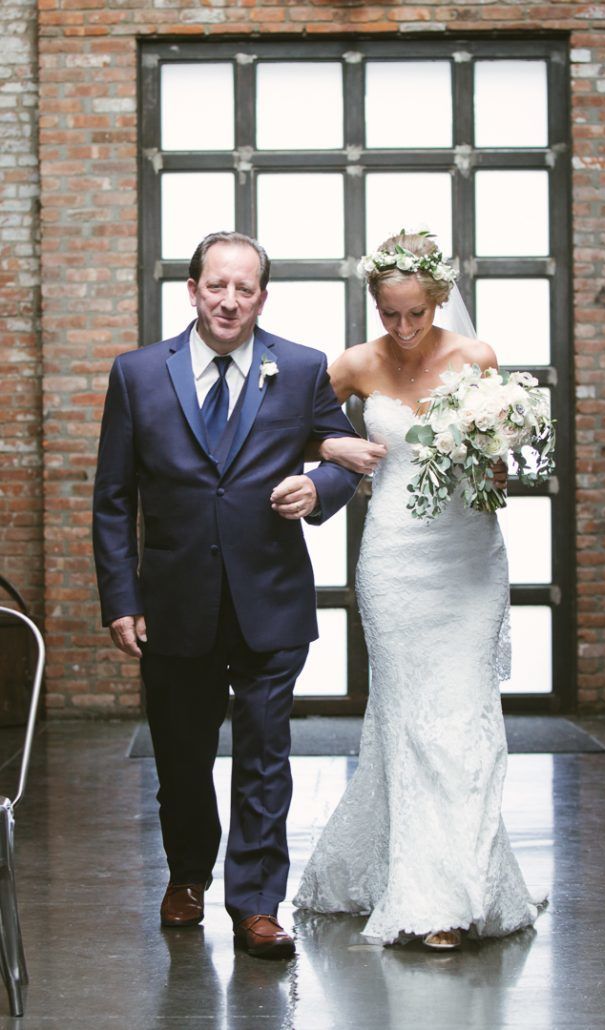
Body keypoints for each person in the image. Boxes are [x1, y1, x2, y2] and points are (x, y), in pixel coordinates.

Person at [92, 230, 361, 960]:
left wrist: (320, 486)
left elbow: (342, 454)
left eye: (246, 289)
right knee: (180, 757)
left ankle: (255, 905)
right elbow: (114, 498)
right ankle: (186, 876)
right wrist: (121, 597)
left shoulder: (301, 368)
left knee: (264, 757)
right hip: (172, 603)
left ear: (261, 297)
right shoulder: (139, 373)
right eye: (218, 286)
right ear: (193, 289)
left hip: (269, 598)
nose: (230, 300)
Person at [294, 231, 544, 949]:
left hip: (466, 557)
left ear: (438, 300)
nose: (402, 329)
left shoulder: (477, 359)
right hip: (394, 557)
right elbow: (287, 429)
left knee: (463, 717)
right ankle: (421, 888)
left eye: (415, 314)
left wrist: (495, 467)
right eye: (389, 314)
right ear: (375, 303)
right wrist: (329, 446)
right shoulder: (350, 364)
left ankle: (454, 890)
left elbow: (498, 470)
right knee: (406, 717)